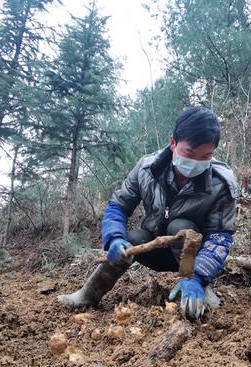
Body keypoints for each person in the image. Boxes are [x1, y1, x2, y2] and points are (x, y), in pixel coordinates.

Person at [56, 107, 238, 320]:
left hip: (193, 257)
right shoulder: (146, 169)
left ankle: (196, 285)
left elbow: (220, 238)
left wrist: (198, 275)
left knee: (181, 227)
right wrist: (113, 238)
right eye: (189, 154)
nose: (196, 162)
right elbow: (118, 206)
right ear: (173, 143)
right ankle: (88, 294)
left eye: (205, 156)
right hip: (153, 248)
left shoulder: (221, 183)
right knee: (131, 240)